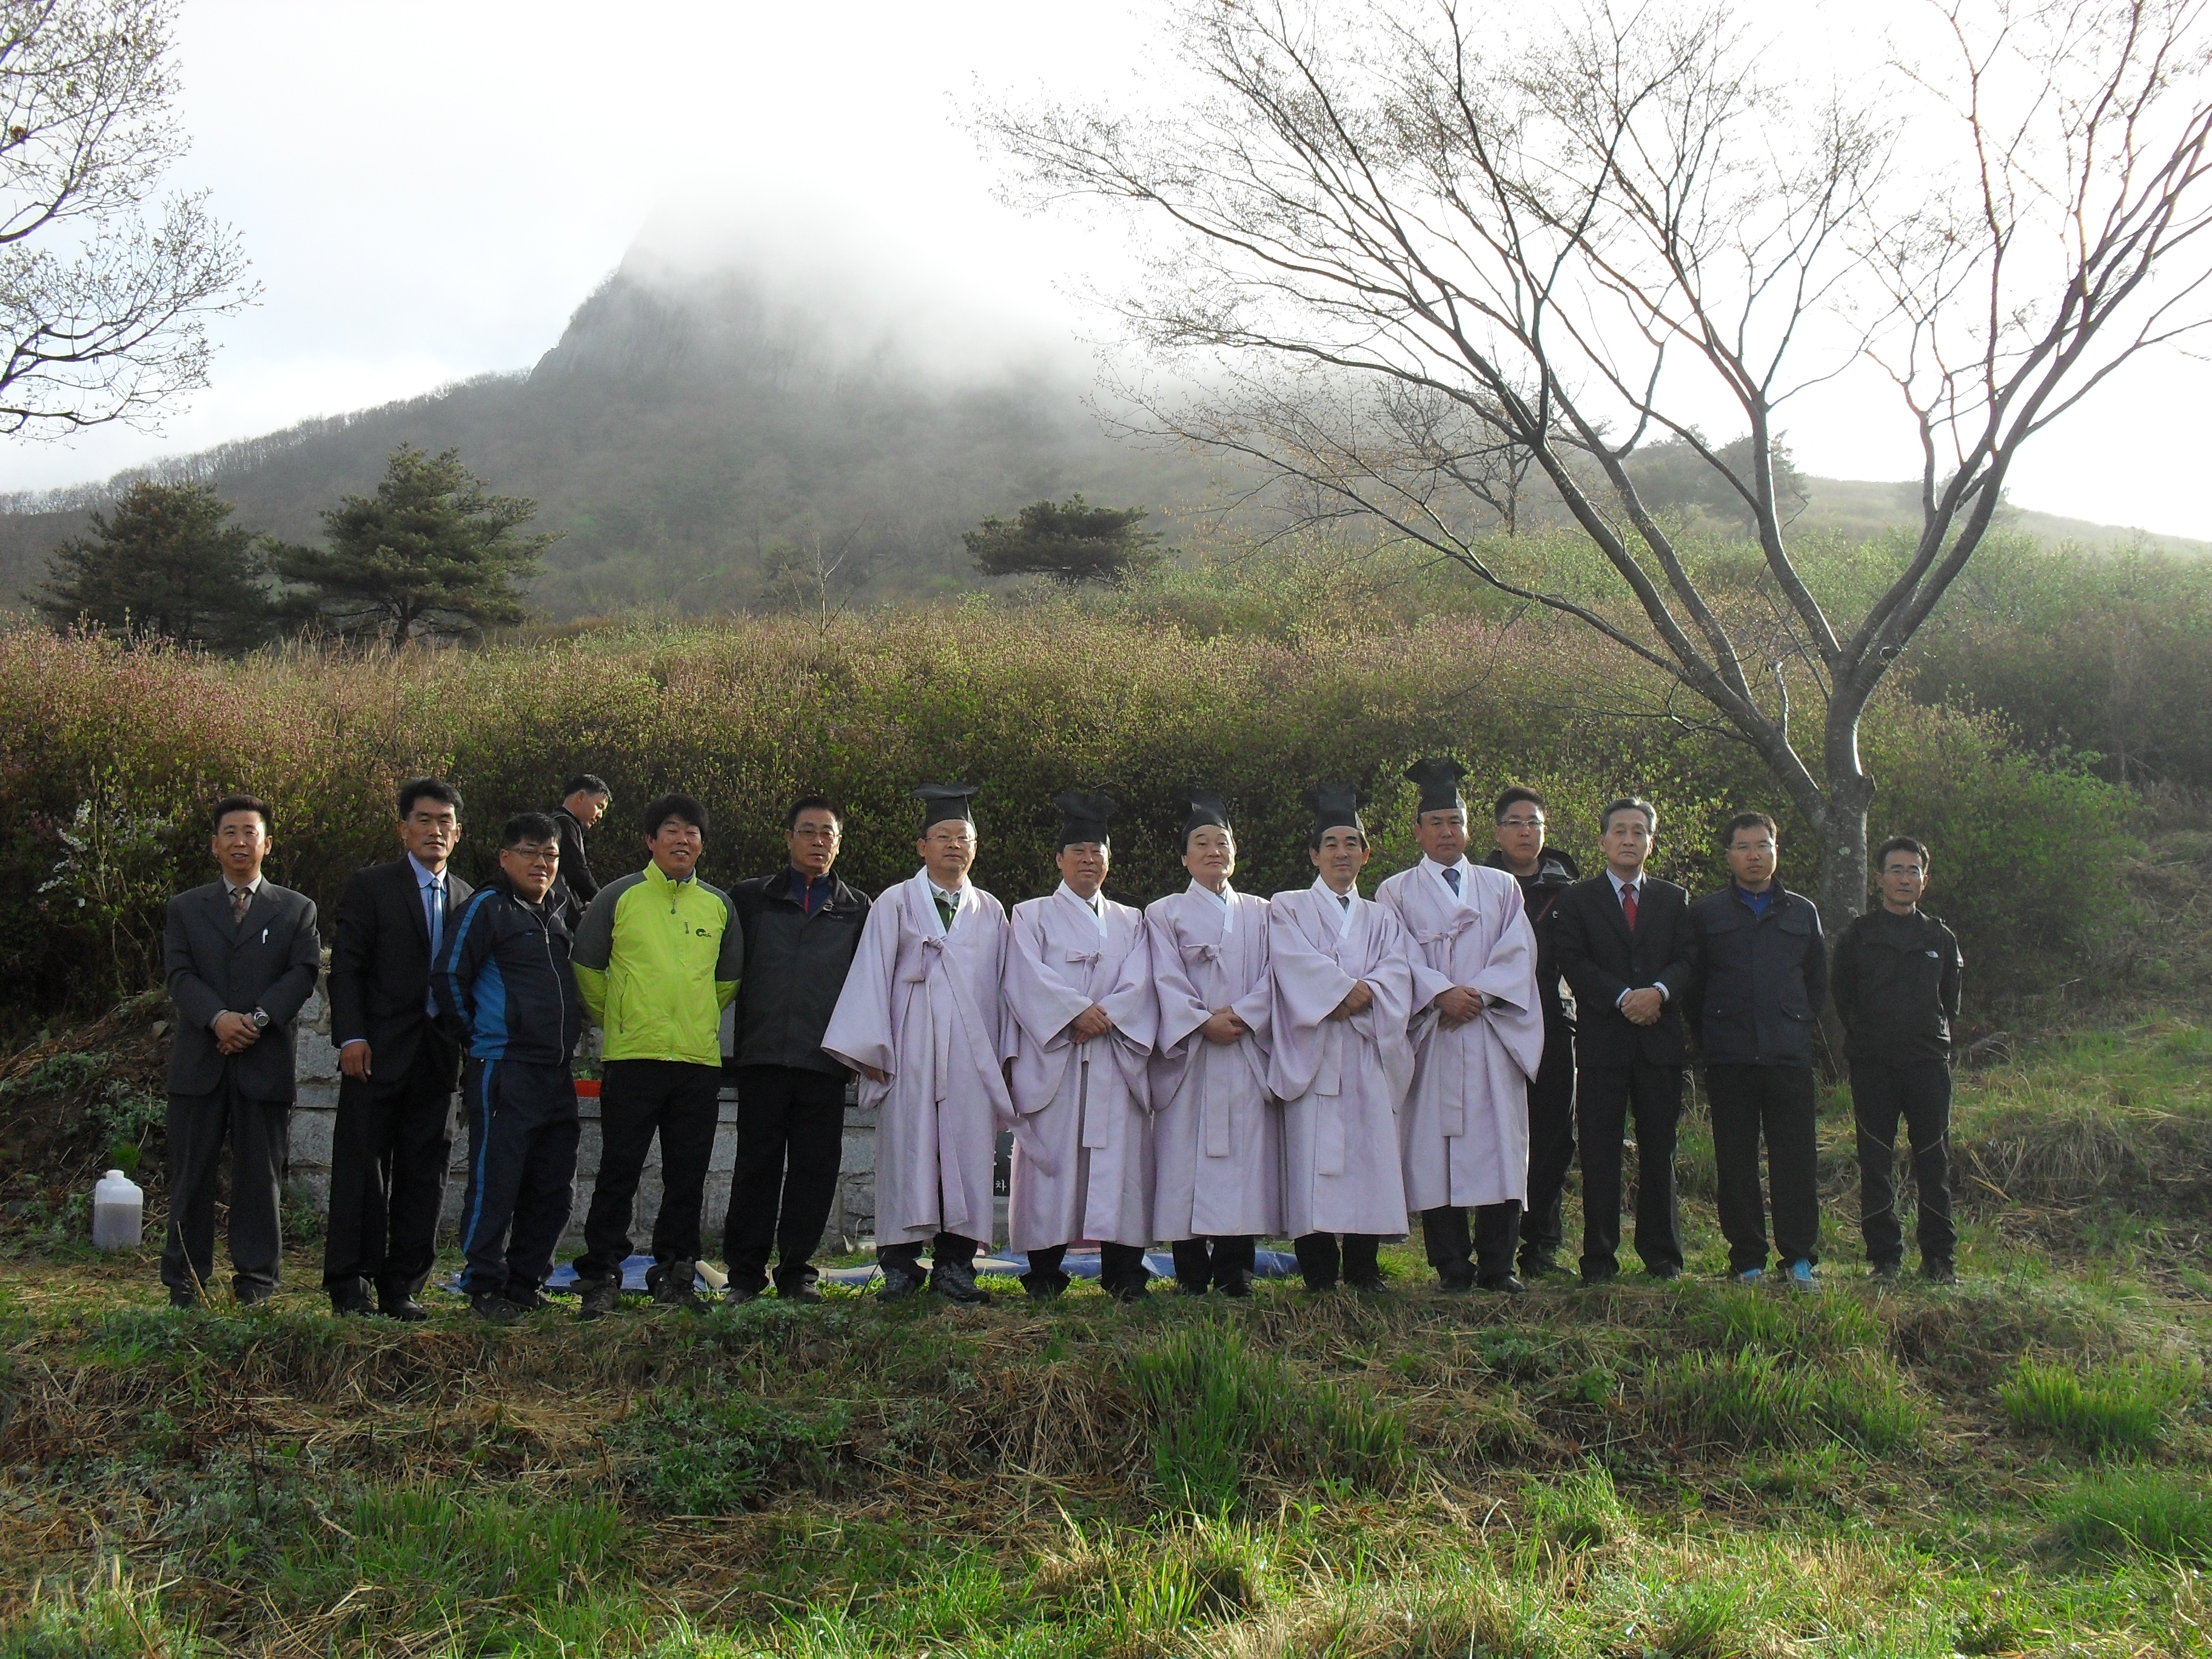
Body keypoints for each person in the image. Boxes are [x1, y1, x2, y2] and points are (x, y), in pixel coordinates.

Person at [821, 784, 1012, 1304]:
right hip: (910, 1048)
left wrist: (1006, 1058)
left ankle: (956, 1262)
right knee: (908, 1150)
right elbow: (871, 976)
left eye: (964, 837)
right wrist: (871, 1051)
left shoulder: (990, 911)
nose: (955, 845)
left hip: (971, 1056)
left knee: (968, 1152)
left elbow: (1005, 987)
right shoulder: (894, 903)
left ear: (975, 847)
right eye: (943, 836)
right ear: (922, 846)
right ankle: (901, 1265)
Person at [568, 793, 743, 1318]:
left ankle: (677, 1271)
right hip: (633, 1059)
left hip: (696, 1064)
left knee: (686, 1174)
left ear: (702, 844)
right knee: (618, 1169)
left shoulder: (718, 906)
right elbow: (587, 969)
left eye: (693, 831)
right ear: (649, 840)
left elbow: (727, 980)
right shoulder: (619, 898)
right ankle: (601, 1274)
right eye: (670, 829)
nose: (682, 839)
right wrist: (620, 1020)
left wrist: (689, 1021)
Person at [1376, 759, 1544, 1293]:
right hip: (1434, 1034)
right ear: (1418, 831)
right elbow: (1393, 958)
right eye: (1436, 823)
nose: (1447, 833)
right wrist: (1439, 993)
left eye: (1456, 821)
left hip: (1491, 1031)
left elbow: (1519, 951)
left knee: (1500, 1146)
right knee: (1433, 1149)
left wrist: (1481, 993)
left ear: (1469, 828)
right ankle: (1451, 1263)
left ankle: (1500, 1263)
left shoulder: (1499, 887)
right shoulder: (1394, 892)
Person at [158, 794, 322, 1308]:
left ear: (266, 844)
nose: (239, 842)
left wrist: (254, 1020)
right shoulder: (186, 908)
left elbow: (302, 974)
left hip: (263, 1057)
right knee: (191, 1174)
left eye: (249, 832)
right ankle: (186, 1282)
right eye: (229, 832)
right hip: (199, 1062)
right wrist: (217, 1019)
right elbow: (179, 975)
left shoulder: (296, 909)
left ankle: (256, 1283)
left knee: (260, 1177)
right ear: (214, 844)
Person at [322, 777, 473, 1320]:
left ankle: (403, 1284)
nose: (436, 831)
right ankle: (350, 1281)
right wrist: (352, 1036)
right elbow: (349, 970)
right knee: (362, 1166)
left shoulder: (467, 899)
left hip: (437, 1057)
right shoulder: (372, 886)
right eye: (426, 820)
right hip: (376, 1052)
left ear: (458, 834)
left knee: (425, 1171)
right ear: (404, 828)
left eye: (446, 823)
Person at [1002, 792, 1158, 1300]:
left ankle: (1124, 1274)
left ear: (1109, 861)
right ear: (1059, 859)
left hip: (1113, 1056)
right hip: (1058, 1060)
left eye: (1098, 852)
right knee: (1052, 1162)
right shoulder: (1028, 916)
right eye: (1079, 852)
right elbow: (1023, 977)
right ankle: (1044, 1273)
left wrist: (1105, 1016)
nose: (1089, 860)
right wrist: (1075, 1013)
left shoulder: (1133, 921)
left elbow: (1142, 981)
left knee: (1119, 1167)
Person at [719, 795, 873, 1305]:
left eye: (828, 834)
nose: (818, 842)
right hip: (762, 1056)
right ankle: (744, 1274)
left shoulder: (858, 907)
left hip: (824, 1061)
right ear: (788, 838)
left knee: (815, 1169)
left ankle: (797, 1271)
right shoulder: (749, 898)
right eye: (808, 832)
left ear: (840, 843)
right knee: (755, 1166)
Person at [432, 813, 583, 1324]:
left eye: (550, 855)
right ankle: (483, 1285)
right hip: (503, 1067)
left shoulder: (560, 912)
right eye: (529, 852)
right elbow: (450, 975)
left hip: (556, 1071)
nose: (541, 864)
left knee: (554, 1186)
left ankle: (527, 1282)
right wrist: (478, 1037)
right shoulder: (486, 908)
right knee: (497, 1179)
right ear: (504, 857)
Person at [1267, 783, 1418, 1292]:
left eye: (1351, 843)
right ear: (1314, 854)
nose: (1341, 853)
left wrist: (1364, 993)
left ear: (1366, 854)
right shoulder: (1286, 908)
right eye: (1330, 844)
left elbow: (1398, 974)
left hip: (1366, 1049)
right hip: (1314, 1051)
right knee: (1313, 1157)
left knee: (1369, 1156)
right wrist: (1343, 991)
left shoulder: (1382, 917)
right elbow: (1290, 965)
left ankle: (1363, 1267)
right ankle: (1317, 1270)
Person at [1553, 796, 1697, 1284]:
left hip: (1659, 1042)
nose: (1629, 840)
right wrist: (1620, 998)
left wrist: (1657, 993)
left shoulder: (1674, 899)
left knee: (1660, 1150)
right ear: (1603, 841)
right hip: (1602, 1043)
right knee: (1599, 1151)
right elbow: (1571, 959)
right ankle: (1598, 1258)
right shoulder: (1577, 899)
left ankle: (1663, 1255)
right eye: (1620, 831)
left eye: (1639, 832)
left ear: (1651, 842)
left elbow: (1688, 960)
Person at [1684, 812, 1829, 1289]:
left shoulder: (1802, 912)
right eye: (1744, 847)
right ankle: (1747, 1259)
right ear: (1729, 855)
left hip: (1788, 1054)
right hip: (1729, 1055)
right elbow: (1694, 988)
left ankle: (1799, 1259)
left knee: (1796, 1159)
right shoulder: (1707, 914)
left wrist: (1798, 1027)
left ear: (1776, 851)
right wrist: (1712, 1039)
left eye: (1763, 845)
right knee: (1736, 1160)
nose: (1754, 855)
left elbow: (1816, 982)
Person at [1146, 790, 1277, 1298]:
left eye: (1222, 841)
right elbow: (1163, 976)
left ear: (1235, 853)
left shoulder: (1263, 912)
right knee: (1185, 1160)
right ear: (1184, 857)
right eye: (1201, 842)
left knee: (1243, 1159)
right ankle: (1190, 1271)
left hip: (1244, 1050)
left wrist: (1242, 1016)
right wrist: (1201, 1022)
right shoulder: (1164, 913)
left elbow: (1275, 975)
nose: (1213, 850)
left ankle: (1235, 1269)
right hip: (1192, 1055)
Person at [1832, 835, 1963, 1285]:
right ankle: (1885, 1259)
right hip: (1873, 1064)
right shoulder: (1858, 936)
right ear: (1880, 879)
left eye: (1913, 871)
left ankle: (1939, 1260)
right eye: (1896, 870)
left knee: (1934, 1159)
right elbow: (1842, 998)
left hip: (1928, 1063)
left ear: (1925, 881)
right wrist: (1868, 1039)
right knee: (1876, 1160)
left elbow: (1950, 1001)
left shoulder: (1940, 937)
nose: (1904, 878)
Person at [1483, 786, 1582, 1281]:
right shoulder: (1478, 883)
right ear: (1498, 832)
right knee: (1498, 1134)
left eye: (1535, 823)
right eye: (1516, 822)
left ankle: (1541, 1246)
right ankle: (1492, 1247)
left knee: (1555, 1135)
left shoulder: (1569, 886)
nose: (1526, 831)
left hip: (1554, 1017)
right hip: (1493, 1019)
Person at [550, 774, 612, 930]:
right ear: (581, 797)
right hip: (559, 914)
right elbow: (576, 870)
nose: (600, 815)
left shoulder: (564, 823)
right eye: (599, 806)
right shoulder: (564, 822)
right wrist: (601, 902)